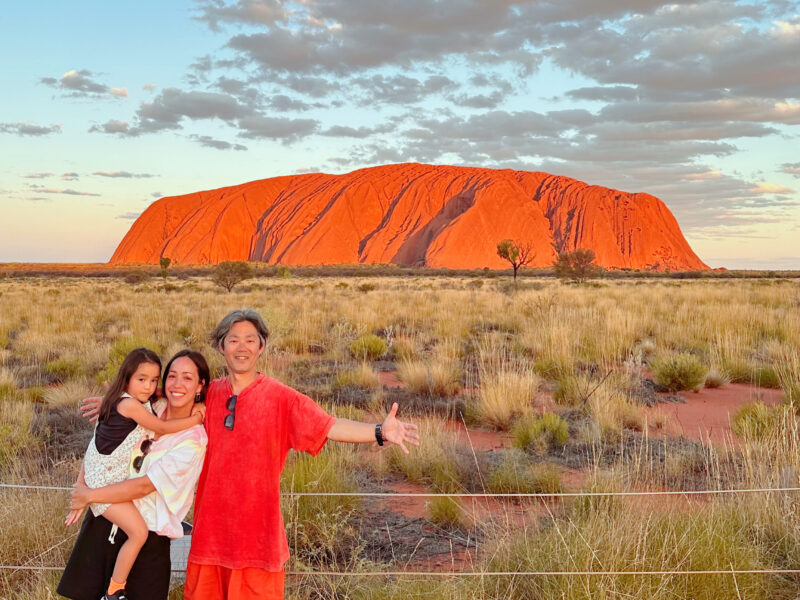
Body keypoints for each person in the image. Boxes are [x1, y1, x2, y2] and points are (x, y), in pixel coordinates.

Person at [184, 309, 419, 600]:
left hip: (258, 546)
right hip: (209, 543)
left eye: (249, 340)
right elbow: (160, 408)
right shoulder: (206, 395)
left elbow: (328, 425)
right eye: (233, 340)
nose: (241, 347)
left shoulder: (281, 398)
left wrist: (379, 432)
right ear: (221, 347)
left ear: (262, 347)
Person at [59, 350, 211, 600]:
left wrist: (88, 495)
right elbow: (101, 445)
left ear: (200, 385)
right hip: (106, 523)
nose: (177, 384)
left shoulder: (193, 440)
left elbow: (143, 487)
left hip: (146, 540)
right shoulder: (151, 406)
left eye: (187, 378)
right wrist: (114, 400)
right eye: (171, 376)